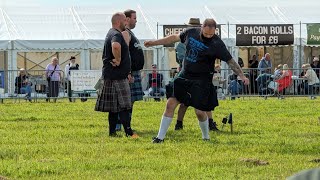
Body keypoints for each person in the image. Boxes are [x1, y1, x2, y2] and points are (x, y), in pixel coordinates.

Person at [144, 18, 249, 143]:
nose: (208, 36)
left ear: (215, 31)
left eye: (211, 34)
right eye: (206, 34)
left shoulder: (217, 44)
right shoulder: (191, 32)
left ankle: (206, 137)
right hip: (184, 76)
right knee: (170, 104)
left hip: (202, 80)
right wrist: (153, 42)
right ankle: (159, 138)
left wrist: (242, 76)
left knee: (199, 112)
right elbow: (173, 38)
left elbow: (231, 62)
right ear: (201, 27)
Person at [94, 12, 138, 138]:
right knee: (124, 106)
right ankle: (129, 133)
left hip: (112, 76)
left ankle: (112, 133)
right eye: (125, 20)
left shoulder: (111, 32)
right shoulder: (116, 34)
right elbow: (116, 46)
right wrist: (118, 60)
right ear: (119, 22)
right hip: (117, 77)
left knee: (113, 108)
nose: (126, 23)